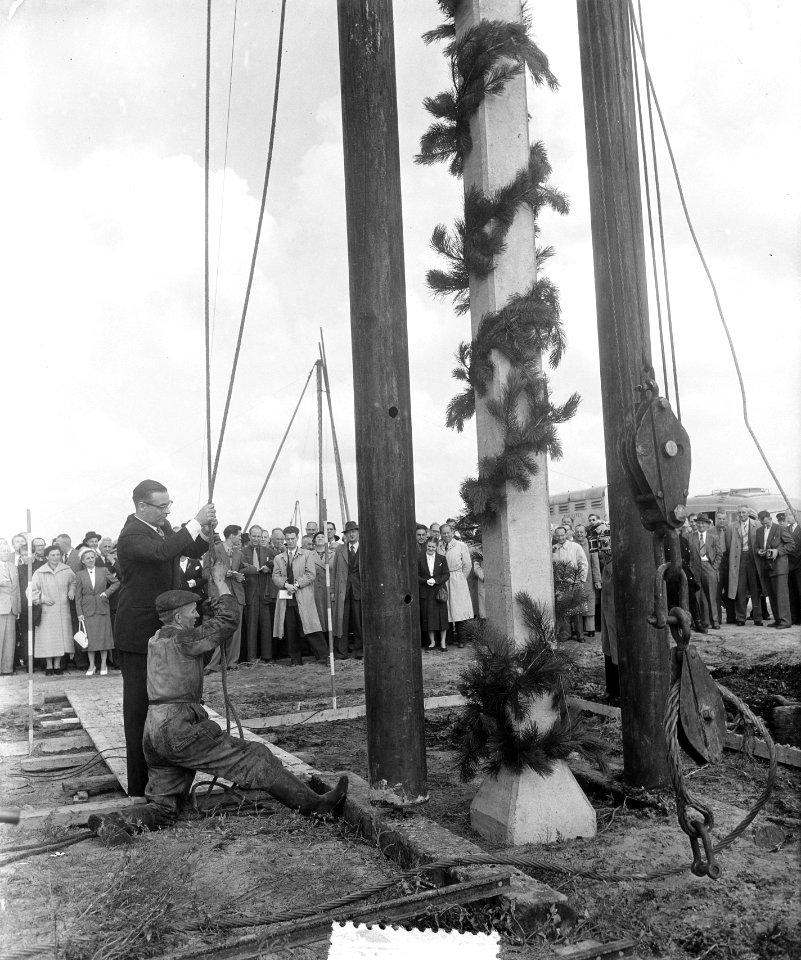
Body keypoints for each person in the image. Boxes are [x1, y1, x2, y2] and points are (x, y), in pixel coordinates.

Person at [87, 575, 347, 844]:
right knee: (256, 756)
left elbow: (205, 640)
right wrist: (222, 584)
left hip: (153, 732)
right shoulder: (183, 640)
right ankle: (315, 806)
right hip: (178, 727)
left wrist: (211, 608)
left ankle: (112, 822)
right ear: (177, 618)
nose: (197, 615)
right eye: (192, 612)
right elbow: (228, 622)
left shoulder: (156, 640)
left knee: (163, 809)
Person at [115, 479, 215, 798]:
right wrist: (195, 521)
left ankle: (165, 776)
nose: (167, 511)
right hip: (138, 632)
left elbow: (188, 549)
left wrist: (205, 531)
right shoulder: (132, 534)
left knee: (166, 702)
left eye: (169, 506)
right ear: (141, 506)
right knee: (139, 708)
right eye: (162, 506)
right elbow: (161, 553)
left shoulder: (164, 527)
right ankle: (138, 786)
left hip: (164, 631)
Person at [273, 526, 328, 665]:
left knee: (311, 627)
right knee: (291, 629)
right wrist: (286, 585)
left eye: (293, 538)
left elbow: (311, 574)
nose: (290, 541)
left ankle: (324, 656)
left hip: (303, 596)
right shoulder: (279, 558)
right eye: (288, 539)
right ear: (285, 539)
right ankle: (295, 660)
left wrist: (296, 585)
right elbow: (275, 576)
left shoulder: (307, 554)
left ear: (297, 538)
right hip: (287, 598)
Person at [206, 525, 252, 670]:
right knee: (221, 629)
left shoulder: (238, 553)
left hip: (237, 595)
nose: (240, 538)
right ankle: (213, 665)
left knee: (236, 631)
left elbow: (242, 567)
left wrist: (240, 574)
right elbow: (205, 574)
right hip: (220, 595)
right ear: (231, 536)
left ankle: (232, 663)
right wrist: (223, 574)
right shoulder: (213, 550)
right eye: (239, 535)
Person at [29, 544, 76, 675]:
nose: (56, 557)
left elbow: (74, 582)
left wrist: (71, 590)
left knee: (60, 638)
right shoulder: (39, 572)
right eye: (52, 555)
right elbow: (31, 590)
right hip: (47, 611)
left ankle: (57, 664)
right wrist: (42, 598)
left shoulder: (67, 570)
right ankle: (49, 665)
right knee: (48, 638)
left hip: (62, 610)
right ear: (47, 556)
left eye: (58, 555)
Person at [74, 547, 119, 676]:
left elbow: (116, 583)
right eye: (87, 558)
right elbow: (78, 596)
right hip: (87, 609)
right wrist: (79, 613)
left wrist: (106, 592)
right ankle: (92, 665)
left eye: (92, 557)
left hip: (102, 607)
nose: (90, 560)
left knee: (104, 638)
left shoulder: (103, 570)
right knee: (90, 640)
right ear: (83, 561)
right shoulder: (80, 575)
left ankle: (104, 664)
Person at [755, 511, 795, 629]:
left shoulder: (780, 529)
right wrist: (759, 551)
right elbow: (757, 546)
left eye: (766, 521)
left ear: (770, 518)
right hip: (767, 567)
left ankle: (785, 621)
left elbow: (791, 545)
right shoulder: (759, 531)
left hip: (780, 567)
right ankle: (778, 620)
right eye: (762, 522)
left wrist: (778, 551)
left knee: (781, 595)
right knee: (772, 595)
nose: (764, 523)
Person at [726, 505, 762, 626]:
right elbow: (728, 545)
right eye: (739, 513)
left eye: (744, 512)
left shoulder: (757, 524)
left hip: (753, 559)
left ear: (748, 513)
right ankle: (741, 618)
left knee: (755, 589)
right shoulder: (732, 527)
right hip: (739, 560)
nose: (741, 515)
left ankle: (758, 617)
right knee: (740, 589)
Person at [552, 525, 589, 641]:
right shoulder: (553, 549)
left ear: (566, 535)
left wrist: (581, 580)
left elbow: (583, 563)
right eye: (557, 535)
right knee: (563, 609)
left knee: (576, 609)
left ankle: (580, 635)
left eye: (562, 535)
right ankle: (566, 634)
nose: (560, 537)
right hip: (561, 584)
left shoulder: (575, 547)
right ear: (555, 536)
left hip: (574, 581)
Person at [332, 520, 363, 659]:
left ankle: (359, 651)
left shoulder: (365, 548)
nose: (351, 534)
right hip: (342, 590)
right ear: (345, 535)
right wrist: (332, 590)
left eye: (354, 531)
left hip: (359, 590)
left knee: (359, 621)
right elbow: (334, 572)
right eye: (349, 532)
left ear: (358, 533)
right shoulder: (340, 549)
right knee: (341, 621)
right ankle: (341, 652)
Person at [439, 523, 473, 647]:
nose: (446, 535)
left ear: (452, 533)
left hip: (457, 578)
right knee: (446, 608)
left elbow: (467, 565)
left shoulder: (461, 545)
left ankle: (462, 640)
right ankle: (448, 639)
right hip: (444, 579)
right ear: (441, 534)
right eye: (444, 533)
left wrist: (462, 578)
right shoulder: (439, 546)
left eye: (448, 532)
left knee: (459, 609)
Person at [243, 524, 273, 662]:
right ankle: (251, 657)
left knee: (266, 625)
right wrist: (253, 570)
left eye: (258, 536)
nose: (256, 539)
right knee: (251, 626)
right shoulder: (242, 552)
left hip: (264, 592)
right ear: (249, 536)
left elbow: (276, 564)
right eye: (253, 536)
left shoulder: (268, 551)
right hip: (250, 592)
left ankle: (267, 656)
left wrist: (269, 568)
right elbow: (239, 568)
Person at [418, 534, 449, 650]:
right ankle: (432, 642)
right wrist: (426, 581)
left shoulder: (442, 558)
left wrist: (435, 580)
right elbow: (415, 575)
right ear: (426, 546)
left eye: (433, 547)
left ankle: (443, 642)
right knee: (428, 617)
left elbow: (446, 574)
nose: (431, 549)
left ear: (436, 547)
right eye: (429, 546)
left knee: (442, 617)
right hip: (426, 591)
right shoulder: (419, 559)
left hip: (439, 591)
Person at [693, 515, 721, 630]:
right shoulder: (690, 536)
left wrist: (714, 567)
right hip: (695, 568)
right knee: (699, 596)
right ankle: (703, 622)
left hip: (709, 566)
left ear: (707, 525)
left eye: (703, 523)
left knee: (711, 595)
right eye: (698, 523)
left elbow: (719, 554)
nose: (700, 525)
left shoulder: (713, 537)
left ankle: (715, 621)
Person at [573, 524, 601, 638]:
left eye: (581, 532)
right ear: (575, 533)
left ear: (585, 533)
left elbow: (595, 564)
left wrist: (597, 580)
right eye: (577, 532)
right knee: (577, 603)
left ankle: (590, 628)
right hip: (576, 578)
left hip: (589, 578)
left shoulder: (591, 545)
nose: (579, 534)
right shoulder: (572, 545)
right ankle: (578, 630)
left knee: (589, 602)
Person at [311, 531, 335, 653]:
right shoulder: (309, 555)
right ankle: (321, 651)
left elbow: (336, 573)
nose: (320, 538)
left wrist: (333, 590)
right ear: (314, 541)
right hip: (315, 592)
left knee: (329, 619)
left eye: (322, 537)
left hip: (328, 591)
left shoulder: (333, 554)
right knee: (318, 620)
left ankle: (331, 650)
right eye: (318, 537)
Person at [0, 544, 20, 675]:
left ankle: (7, 669)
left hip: (12, 607)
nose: (6, 553)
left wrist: (18, 608)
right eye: (2, 550)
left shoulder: (13, 567)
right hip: (0, 607)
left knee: (10, 639)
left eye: (7, 550)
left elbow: (17, 588)